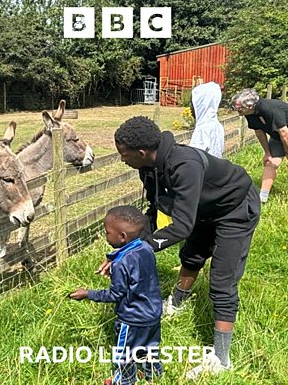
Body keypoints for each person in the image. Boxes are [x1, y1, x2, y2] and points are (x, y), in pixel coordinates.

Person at [97, 116, 260, 380]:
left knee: (222, 280)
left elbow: (182, 227)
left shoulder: (185, 166)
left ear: (142, 152)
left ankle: (221, 359)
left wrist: (136, 252)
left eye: (124, 154)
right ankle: (177, 303)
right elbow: (154, 212)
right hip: (201, 211)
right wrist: (123, 251)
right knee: (192, 255)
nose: (122, 159)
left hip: (234, 208)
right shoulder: (148, 168)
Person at [70, 205, 163, 385]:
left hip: (132, 319)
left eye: (107, 232)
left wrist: (88, 294)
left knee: (124, 354)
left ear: (122, 236)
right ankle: (154, 376)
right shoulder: (146, 248)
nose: (105, 235)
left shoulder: (121, 264)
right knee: (150, 348)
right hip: (153, 314)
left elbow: (115, 294)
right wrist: (114, 257)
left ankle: (123, 380)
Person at [231, 88, 288, 217]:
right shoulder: (249, 113)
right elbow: (259, 131)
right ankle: (262, 198)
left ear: (250, 106)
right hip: (279, 134)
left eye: (239, 108)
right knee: (270, 162)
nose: (236, 110)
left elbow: (285, 133)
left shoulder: (270, 109)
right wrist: (267, 152)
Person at [189, 81, 225, 158]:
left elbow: (195, 158)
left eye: (193, 104)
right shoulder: (216, 125)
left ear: (202, 105)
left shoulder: (203, 129)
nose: (190, 108)